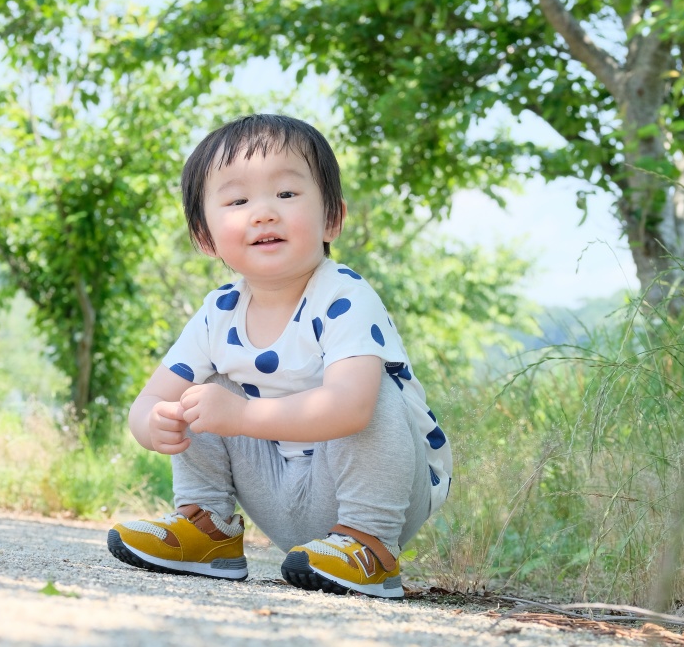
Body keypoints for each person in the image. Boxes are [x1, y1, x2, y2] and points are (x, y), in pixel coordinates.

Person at [108, 114, 451, 600]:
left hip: (377, 493)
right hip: (276, 489)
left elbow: (352, 409)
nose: (264, 212)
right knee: (199, 393)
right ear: (206, 237)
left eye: (287, 195)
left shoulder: (345, 297)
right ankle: (207, 528)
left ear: (332, 217)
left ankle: (370, 546)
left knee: (368, 390)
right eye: (238, 200)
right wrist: (155, 423)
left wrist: (244, 415)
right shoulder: (217, 314)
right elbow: (148, 403)